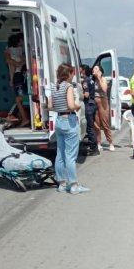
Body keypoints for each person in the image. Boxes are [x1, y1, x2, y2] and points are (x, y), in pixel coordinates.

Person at [48, 63, 89, 194]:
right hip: (69, 120)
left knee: (60, 154)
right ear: (69, 73)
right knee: (70, 155)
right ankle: (74, 185)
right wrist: (77, 106)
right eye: (72, 73)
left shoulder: (54, 86)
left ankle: (62, 183)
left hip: (59, 120)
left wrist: (61, 108)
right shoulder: (69, 86)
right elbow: (71, 105)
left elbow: (50, 106)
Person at [92, 64, 115, 152]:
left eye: (96, 68)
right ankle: (98, 143)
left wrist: (98, 78)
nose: (94, 69)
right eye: (93, 68)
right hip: (95, 101)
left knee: (105, 122)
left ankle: (110, 142)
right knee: (96, 124)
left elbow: (104, 89)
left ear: (100, 71)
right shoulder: (92, 80)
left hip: (103, 101)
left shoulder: (103, 79)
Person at [80, 64, 98, 155]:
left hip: (89, 105)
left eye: (80, 69)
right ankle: (94, 146)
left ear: (83, 70)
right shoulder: (90, 80)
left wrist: (79, 95)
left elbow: (86, 94)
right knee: (92, 127)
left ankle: (94, 148)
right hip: (93, 104)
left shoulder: (85, 81)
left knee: (90, 128)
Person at [11, 63, 29, 128]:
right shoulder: (26, 79)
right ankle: (24, 119)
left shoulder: (26, 78)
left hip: (31, 97)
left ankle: (24, 119)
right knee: (20, 100)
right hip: (29, 96)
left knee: (17, 99)